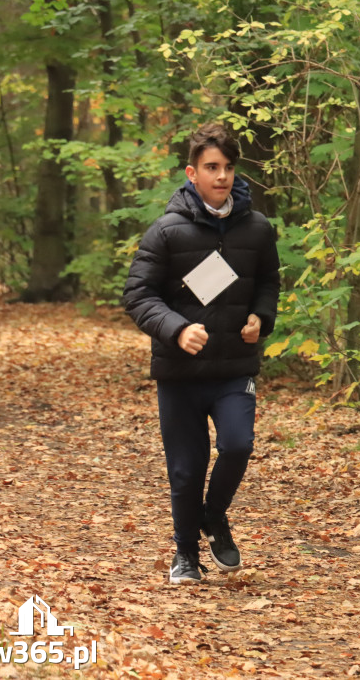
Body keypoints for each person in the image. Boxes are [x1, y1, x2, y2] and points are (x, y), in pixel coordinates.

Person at [123, 123, 281, 585]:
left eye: (229, 168)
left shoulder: (257, 228)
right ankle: (186, 556)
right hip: (180, 371)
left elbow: (268, 282)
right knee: (186, 469)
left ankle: (213, 516)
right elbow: (138, 294)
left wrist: (261, 317)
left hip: (234, 366)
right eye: (212, 168)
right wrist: (175, 329)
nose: (222, 176)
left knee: (238, 445)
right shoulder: (166, 231)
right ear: (192, 173)